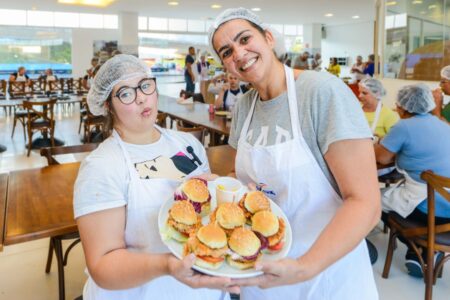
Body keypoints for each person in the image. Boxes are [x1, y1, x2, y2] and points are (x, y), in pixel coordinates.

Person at [209, 7, 379, 299]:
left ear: (269, 38)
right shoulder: (244, 108)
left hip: (326, 274)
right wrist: (219, 184)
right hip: (263, 274)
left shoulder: (320, 92)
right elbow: (248, 179)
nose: (238, 53)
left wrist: (304, 266)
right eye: (226, 51)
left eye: (245, 39)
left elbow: (366, 203)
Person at [74, 54, 237, 299]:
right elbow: (102, 266)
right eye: (126, 93)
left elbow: (203, 215)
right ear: (108, 105)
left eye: (145, 85)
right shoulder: (102, 167)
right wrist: (167, 265)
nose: (141, 97)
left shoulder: (186, 144)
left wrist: (218, 196)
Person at [374, 83, 450, 277]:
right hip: (447, 207)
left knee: (373, 200)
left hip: (428, 208)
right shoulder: (442, 123)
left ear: (402, 107)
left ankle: (419, 247)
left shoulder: (404, 126)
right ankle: (424, 251)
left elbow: (381, 158)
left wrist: (376, 143)